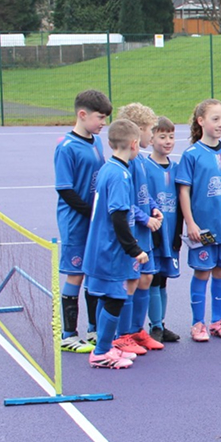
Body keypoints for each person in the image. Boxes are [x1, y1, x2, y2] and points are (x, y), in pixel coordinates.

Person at [176, 99, 221, 342]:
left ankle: (217, 320)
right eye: (215, 119)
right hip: (204, 228)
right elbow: (184, 191)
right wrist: (191, 223)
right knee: (202, 272)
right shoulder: (192, 155)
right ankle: (198, 323)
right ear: (201, 121)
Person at [83, 119, 150, 370]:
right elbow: (119, 216)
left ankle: (105, 345)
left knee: (105, 296)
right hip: (110, 250)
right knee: (115, 297)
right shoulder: (120, 175)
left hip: (100, 247)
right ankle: (101, 352)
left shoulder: (108, 169)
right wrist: (134, 249)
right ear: (134, 144)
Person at [55, 89, 111, 353]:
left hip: (94, 222)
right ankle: (68, 334)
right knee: (75, 274)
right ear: (82, 114)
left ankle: (93, 329)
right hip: (76, 222)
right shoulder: (66, 148)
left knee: (92, 273)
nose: (103, 123)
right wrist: (92, 212)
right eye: (100, 117)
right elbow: (65, 190)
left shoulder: (96, 142)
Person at [113, 103, 166, 355]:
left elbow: (145, 194)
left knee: (146, 278)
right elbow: (127, 203)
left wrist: (154, 208)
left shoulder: (142, 161)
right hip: (136, 232)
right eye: (148, 130)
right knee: (131, 282)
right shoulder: (127, 164)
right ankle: (122, 334)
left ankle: (137, 330)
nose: (151, 135)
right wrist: (146, 219)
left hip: (146, 232)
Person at [142, 116, 182, 343]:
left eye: (171, 136)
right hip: (153, 233)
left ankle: (161, 323)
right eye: (162, 136)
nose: (167, 141)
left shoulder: (177, 168)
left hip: (170, 234)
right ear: (152, 137)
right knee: (153, 278)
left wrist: (178, 232)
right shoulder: (146, 167)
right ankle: (154, 325)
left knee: (164, 278)